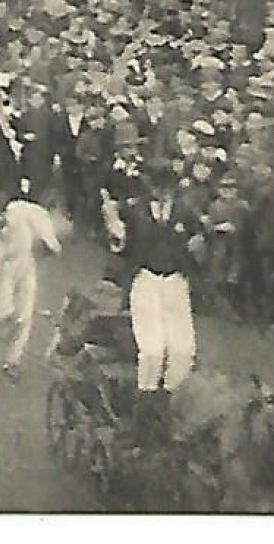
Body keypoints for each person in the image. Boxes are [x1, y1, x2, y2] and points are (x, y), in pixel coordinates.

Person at [102, 183, 197, 432]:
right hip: (145, 279)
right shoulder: (136, 210)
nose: (164, 195)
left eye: (168, 190)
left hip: (175, 281)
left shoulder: (185, 212)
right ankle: (143, 406)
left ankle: (167, 402)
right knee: (152, 349)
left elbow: (201, 234)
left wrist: (198, 245)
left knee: (183, 349)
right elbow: (112, 216)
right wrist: (112, 221)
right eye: (159, 189)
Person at [0, 187, 62, 379]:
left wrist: (50, 241)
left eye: (0, 215)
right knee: (0, 314)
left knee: (23, 317)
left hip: (25, 267)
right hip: (2, 274)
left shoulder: (20, 212)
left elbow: (40, 217)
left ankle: (12, 361)